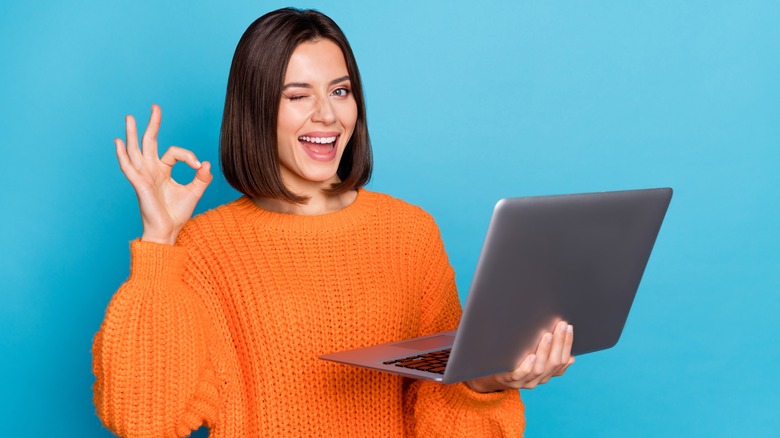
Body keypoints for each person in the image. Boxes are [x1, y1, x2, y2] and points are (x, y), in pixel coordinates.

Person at [93, 7, 574, 437]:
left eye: (340, 91)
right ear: (256, 110)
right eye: (297, 96)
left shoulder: (409, 234)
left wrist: (487, 382)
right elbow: (141, 418)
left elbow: (440, 418)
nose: (327, 115)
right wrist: (159, 241)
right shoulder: (203, 248)